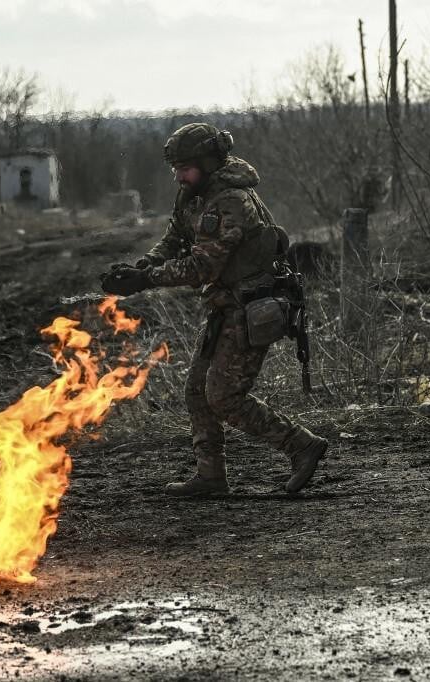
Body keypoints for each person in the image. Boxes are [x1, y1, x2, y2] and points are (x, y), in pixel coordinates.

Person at [100, 122, 328, 497]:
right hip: (225, 305)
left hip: (251, 307)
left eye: (185, 167)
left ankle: (302, 446)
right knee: (195, 392)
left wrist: (146, 280)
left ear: (207, 163)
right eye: (175, 168)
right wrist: (143, 266)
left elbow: (202, 267)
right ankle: (210, 477)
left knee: (223, 397)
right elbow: (175, 237)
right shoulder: (194, 194)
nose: (178, 175)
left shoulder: (231, 203)